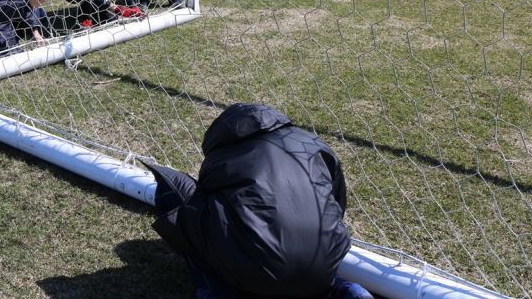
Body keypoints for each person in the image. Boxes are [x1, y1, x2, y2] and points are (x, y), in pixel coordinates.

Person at [147, 103, 373, 299]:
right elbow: (337, 202)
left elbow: (207, 204)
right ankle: (346, 291)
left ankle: (217, 290)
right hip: (321, 271)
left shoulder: (221, 156)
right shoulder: (313, 143)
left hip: (252, 272)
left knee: (170, 183)